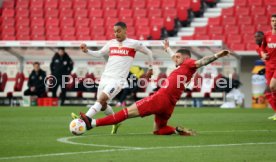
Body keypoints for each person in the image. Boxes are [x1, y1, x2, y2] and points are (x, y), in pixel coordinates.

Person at [78, 40, 231, 136]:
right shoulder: (183, 65)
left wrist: (217, 55)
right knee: (158, 130)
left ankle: (91, 123)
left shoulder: (190, 62)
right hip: (169, 106)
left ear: (185, 57)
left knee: (125, 113)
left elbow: (202, 61)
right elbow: (175, 57)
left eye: (177, 57)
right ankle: (176, 130)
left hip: (160, 98)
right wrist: (168, 49)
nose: (174, 59)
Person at [73, 22, 154, 134]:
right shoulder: (111, 43)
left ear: (125, 30)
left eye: (119, 31)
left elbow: (149, 52)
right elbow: (100, 53)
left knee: (100, 100)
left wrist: (150, 68)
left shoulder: (133, 43)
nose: (116, 33)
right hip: (105, 77)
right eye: (115, 31)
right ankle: (116, 121)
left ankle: (83, 120)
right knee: (102, 105)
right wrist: (87, 51)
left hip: (118, 80)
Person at [260, 14, 276, 120]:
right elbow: (262, 48)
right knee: (271, 90)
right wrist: (263, 55)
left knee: (272, 86)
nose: (274, 22)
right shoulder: (267, 35)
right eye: (273, 20)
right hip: (269, 66)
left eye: (275, 20)